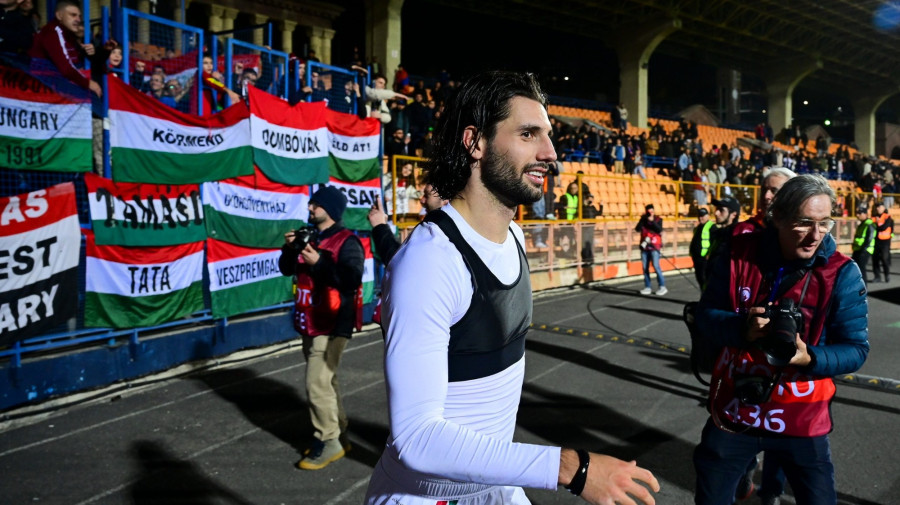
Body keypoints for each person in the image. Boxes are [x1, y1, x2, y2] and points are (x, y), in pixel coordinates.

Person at [364, 71, 659, 505]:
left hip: (492, 487)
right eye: (528, 134)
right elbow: (418, 439)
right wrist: (568, 468)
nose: (550, 153)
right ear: (475, 142)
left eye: (549, 136)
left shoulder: (515, 236)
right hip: (427, 497)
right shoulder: (430, 262)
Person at [693, 174, 869, 505]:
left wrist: (809, 358)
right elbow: (705, 317)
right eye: (805, 223)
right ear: (779, 218)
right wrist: (741, 329)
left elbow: (856, 349)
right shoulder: (737, 255)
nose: (816, 235)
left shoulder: (842, 273)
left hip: (802, 416)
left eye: (825, 223)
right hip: (736, 410)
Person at [278, 186, 364, 471]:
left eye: (316, 204)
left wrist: (320, 262)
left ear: (331, 210)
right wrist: (291, 250)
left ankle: (328, 441)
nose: (310, 208)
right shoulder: (312, 236)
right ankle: (340, 434)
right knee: (327, 382)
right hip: (310, 320)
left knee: (316, 383)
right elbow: (286, 269)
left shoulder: (346, 241)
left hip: (332, 322)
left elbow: (350, 280)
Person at [28, 0, 101, 97]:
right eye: (73, 15)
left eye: (79, 16)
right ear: (59, 16)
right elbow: (66, 69)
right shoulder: (53, 32)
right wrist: (89, 84)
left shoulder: (68, 36)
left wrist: (88, 52)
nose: (78, 20)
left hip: (55, 92)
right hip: (43, 92)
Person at [367, 184, 449, 266]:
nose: (422, 200)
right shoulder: (440, 231)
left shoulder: (441, 237)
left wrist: (380, 227)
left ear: (445, 202)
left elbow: (401, 264)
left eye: (427, 195)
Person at [734, 167, 796, 235]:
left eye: (774, 191)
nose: (766, 196)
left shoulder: (802, 232)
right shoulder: (742, 231)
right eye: (764, 190)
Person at [635, 204, 667, 295]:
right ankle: (647, 286)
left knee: (656, 266)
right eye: (649, 212)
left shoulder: (658, 220)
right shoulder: (643, 220)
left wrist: (652, 221)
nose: (651, 213)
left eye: (652, 211)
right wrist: (642, 219)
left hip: (654, 246)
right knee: (645, 268)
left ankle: (662, 286)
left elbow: (659, 229)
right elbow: (637, 229)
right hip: (645, 247)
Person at [689, 208, 714, 288]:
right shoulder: (698, 227)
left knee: (705, 279)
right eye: (699, 216)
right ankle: (703, 297)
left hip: (705, 258)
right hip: (697, 257)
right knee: (699, 278)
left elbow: (715, 242)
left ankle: (707, 298)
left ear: (707, 216)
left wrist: (709, 254)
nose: (700, 218)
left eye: (703, 216)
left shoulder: (712, 227)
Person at [851, 205, 875, 286]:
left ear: (865, 214)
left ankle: (864, 286)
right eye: (857, 213)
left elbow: (870, 238)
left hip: (864, 250)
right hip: (858, 249)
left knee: (861, 269)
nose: (857, 215)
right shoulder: (862, 224)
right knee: (854, 268)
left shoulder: (869, 224)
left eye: (859, 213)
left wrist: (864, 249)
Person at [871, 201, 893, 283]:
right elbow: (870, 225)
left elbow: (884, 227)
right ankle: (877, 277)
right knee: (875, 259)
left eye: (879, 207)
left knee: (884, 259)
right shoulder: (874, 216)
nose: (878, 208)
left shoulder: (887, 217)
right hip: (876, 241)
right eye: (877, 207)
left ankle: (887, 275)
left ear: (883, 208)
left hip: (885, 242)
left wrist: (876, 223)